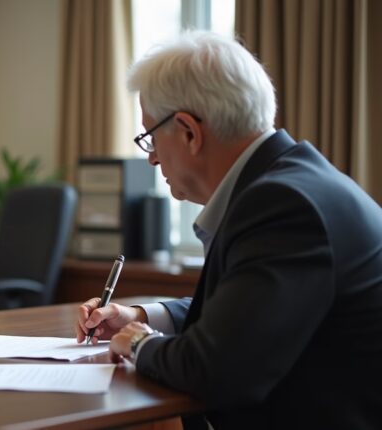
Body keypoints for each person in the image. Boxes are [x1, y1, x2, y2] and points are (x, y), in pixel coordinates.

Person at [76, 31, 382, 429]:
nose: (151, 159)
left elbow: (215, 370)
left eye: (150, 138)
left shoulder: (283, 205)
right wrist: (141, 315)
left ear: (188, 131)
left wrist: (137, 341)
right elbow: (248, 314)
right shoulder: (292, 184)